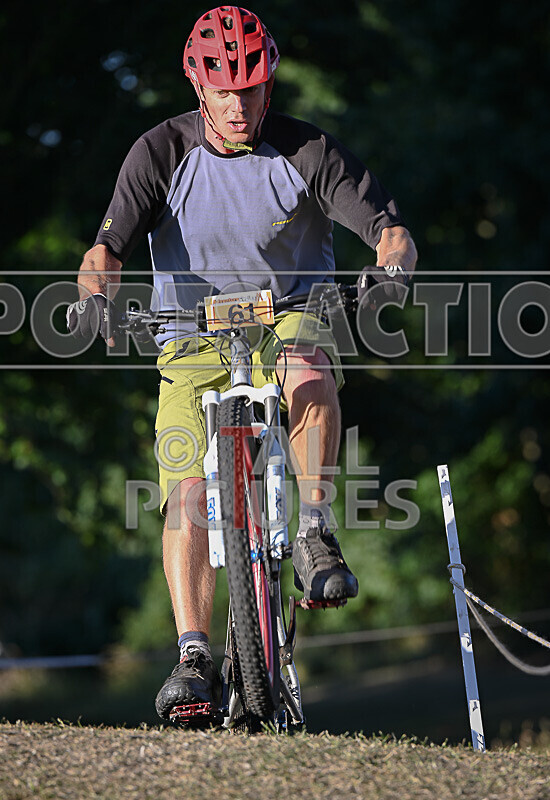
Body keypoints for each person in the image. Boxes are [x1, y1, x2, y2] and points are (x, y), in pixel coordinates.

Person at [68, 6, 417, 721]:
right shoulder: (159, 152)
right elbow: (104, 254)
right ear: (198, 84)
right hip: (190, 334)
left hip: (288, 311)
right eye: (224, 89)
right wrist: (95, 298)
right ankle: (194, 656)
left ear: (270, 81)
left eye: (252, 88)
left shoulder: (309, 151)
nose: (238, 104)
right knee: (185, 490)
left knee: (307, 361)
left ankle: (315, 527)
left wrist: (392, 272)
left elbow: (393, 233)